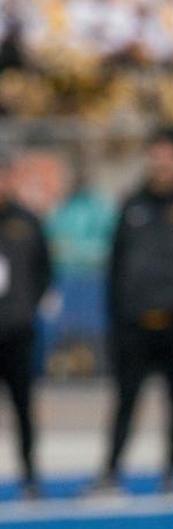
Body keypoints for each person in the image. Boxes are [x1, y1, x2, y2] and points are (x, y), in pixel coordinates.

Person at [91, 128, 173, 495]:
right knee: (126, 400)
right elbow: (115, 266)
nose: (162, 163)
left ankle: (171, 473)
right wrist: (117, 318)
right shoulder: (132, 206)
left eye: (169, 155)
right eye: (156, 155)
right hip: (134, 325)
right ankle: (111, 471)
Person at [0, 148, 52, 499]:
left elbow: (44, 270)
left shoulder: (27, 222)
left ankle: (30, 475)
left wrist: (26, 308)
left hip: (17, 332)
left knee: (23, 408)